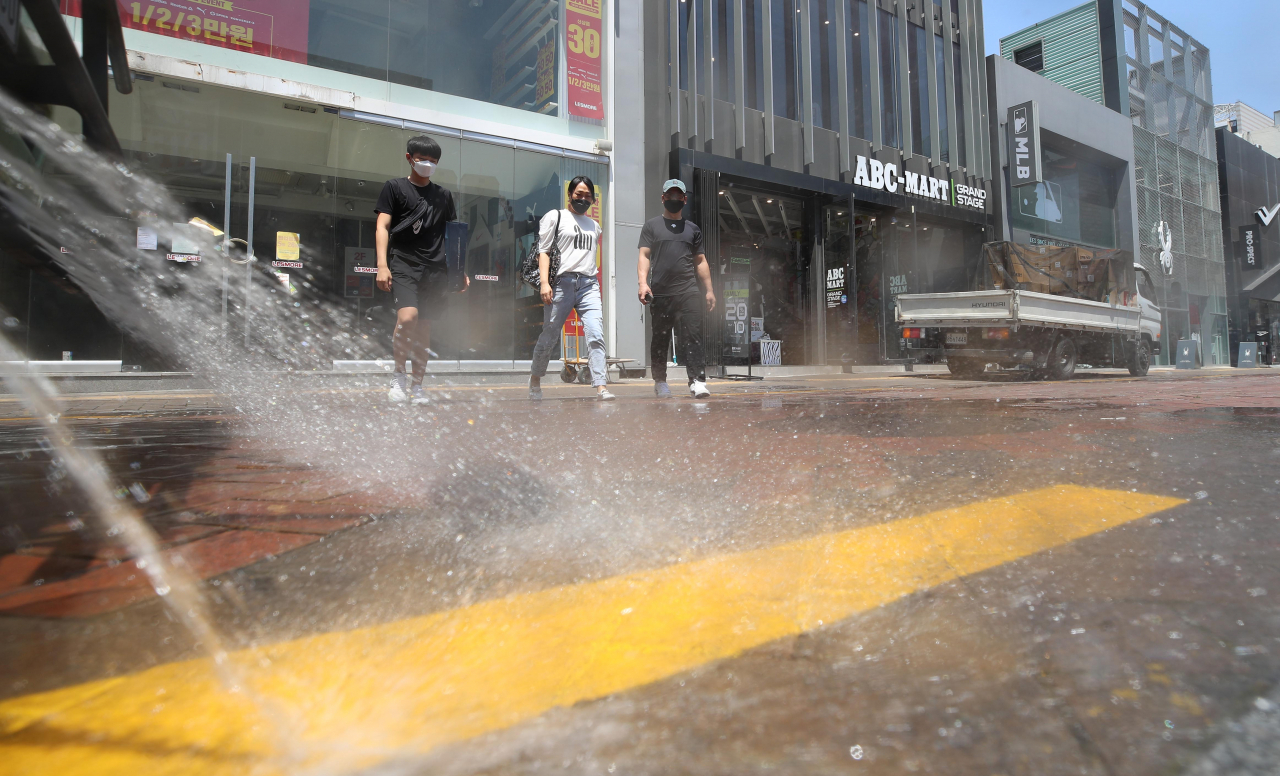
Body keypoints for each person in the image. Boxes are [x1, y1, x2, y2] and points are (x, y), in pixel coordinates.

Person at [374, 135, 467, 405]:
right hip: (404, 263)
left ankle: (417, 386)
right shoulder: (394, 188)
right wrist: (382, 265)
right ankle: (398, 377)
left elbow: (453, 236)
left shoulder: (443, 196)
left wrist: (459, 271)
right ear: (409, 158)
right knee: (407, 319)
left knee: (424, 328)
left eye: (433, 161)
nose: (427, 164)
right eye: (422, 159)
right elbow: (382, 226)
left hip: (436, 269)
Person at [529, 176, 613, 401]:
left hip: (588, 284)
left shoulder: (595, 226)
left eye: (587, 196)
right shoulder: (556, 216)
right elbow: (543, 251)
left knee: (595, 333)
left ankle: (601, 386)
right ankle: (535, 380)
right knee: (550, 334)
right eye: (579, 194)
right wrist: (545, 283)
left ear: (593, 199)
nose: (583, 199)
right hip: (561, 284)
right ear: (570, 194)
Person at [637, 179, 716, 398]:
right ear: (663, 198)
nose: (674, 199)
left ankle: (697, 381)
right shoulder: (651, 226)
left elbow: (700, 261)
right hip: (660, 292)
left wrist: (709, 290)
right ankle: (660, 382)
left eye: (678, 196)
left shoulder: (692, 229)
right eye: (670, 195)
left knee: (693, 336)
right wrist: (643, 284)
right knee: (660, 338)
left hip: (688, 290)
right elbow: (644, 256)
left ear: (685, 199)